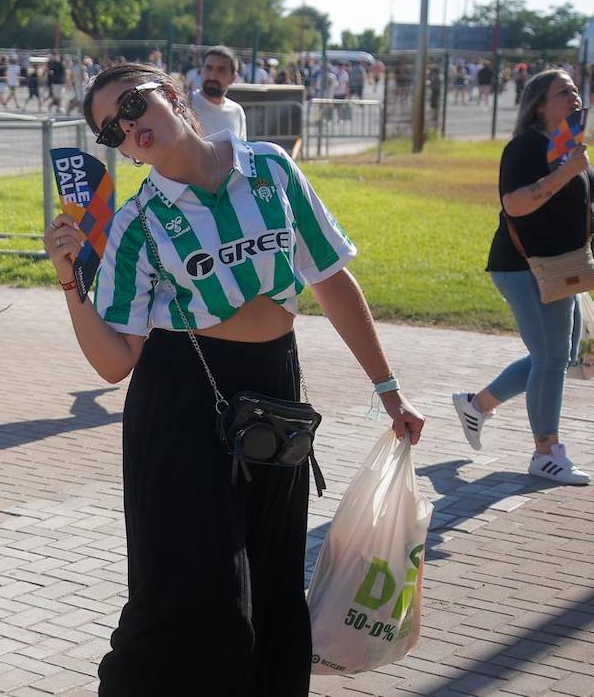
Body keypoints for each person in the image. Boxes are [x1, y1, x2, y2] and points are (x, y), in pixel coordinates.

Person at [43, 63, 425, 694]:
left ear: (170, 93)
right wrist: (67, 279)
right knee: (196, 597)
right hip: (183, 402)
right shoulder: (139, 221)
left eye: (134, 104)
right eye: (112, 128)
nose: (130, 126)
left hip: (275, 388)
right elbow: (115, 361)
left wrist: (389, 391)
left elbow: (330, 279)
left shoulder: (270, 169)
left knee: (276, 585)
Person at [455, 69, 590, 484]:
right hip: (522, 266)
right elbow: (514, 204)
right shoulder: (527, 147)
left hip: (562, 267)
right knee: (550, 359)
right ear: (538, 104)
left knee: (556, 356)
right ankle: (545, 452)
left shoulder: (568, 145)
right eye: (563, 91)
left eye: (574, 90)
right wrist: (566, 173)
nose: (574, 96)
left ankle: (477, 405)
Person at [190, 45, 248, 139]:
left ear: (233, 78)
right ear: (201, 70)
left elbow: (240, 151)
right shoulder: (185, 106)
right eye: (208, 68)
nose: (212, 76)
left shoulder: (237, 112)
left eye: (221, 70)